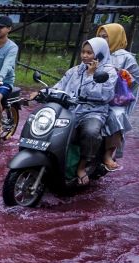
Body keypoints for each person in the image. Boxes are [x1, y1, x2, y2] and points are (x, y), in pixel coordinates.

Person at [46, 37, 117, 186]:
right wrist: (43, 92)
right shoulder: (76, 70)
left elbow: (104, 96)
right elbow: (60, 85)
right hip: (72, 109)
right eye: (83, 52)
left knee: (91, 131)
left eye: (89, 53)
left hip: (94, 111)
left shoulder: (109, 72)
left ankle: (82, 166)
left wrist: (91, 75)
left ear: (100, 54)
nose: (84, 56)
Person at [96, 23, 139, 171]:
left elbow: (135, 81)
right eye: (99, 37)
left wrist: (121, 73)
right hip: (94, 93)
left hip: (116, 99)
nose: (102, 40)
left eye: (105, 36)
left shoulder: (127, 58)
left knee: (116, 116)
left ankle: (108, 154)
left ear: (115, 37)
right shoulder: (96, 52)